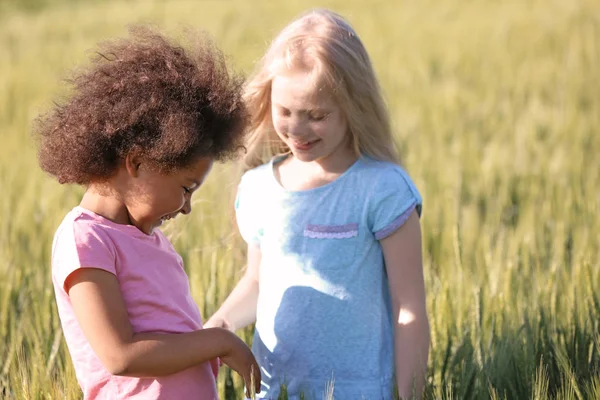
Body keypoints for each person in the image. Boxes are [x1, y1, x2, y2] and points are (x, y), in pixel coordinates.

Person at [205, 9, 430, 400]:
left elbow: (407, 305)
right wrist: (219, 324)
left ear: (354, 107)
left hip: (359, 391)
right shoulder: (259, 188)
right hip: (275, 388)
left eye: (316, 115)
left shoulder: (382, 190)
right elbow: (258, 282)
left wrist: (412, 394)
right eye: (285, 112)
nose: (297, 129)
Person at [35, 26, 261, 400]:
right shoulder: (85, 240)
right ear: (138, 162)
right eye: (186, 189)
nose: (187, 208)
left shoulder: (154, 244)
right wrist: (222, 342)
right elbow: (120, 355)